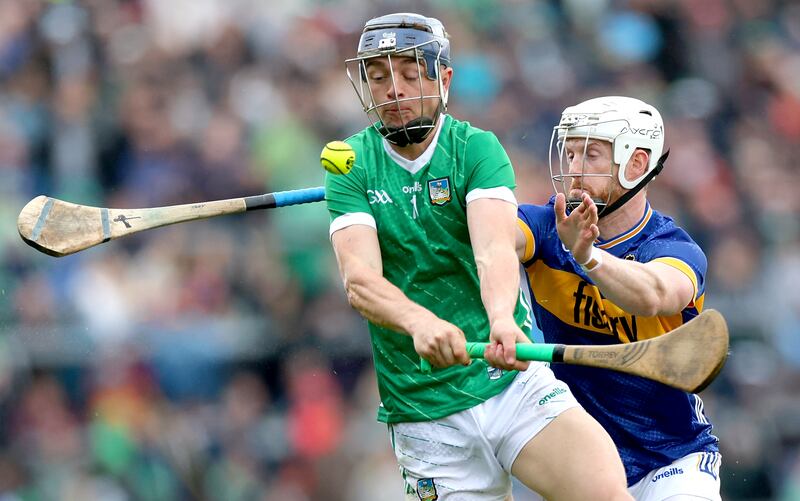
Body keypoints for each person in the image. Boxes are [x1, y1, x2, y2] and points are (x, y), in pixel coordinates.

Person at [326, 12, 631, 501]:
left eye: (409, 74)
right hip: (424, 412)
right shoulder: (351, 164)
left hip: (510, 381)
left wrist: (501, 320)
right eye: (379, 77)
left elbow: (493, 248)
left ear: (444, 79)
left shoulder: (476, 150)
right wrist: (420, 323)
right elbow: (359, 280)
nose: (393, 90)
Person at [516, 96, 722, 501]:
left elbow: (654, 294)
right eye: (570, 153)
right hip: (582, 466)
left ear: (636, 163)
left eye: (591, 154)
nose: (574, 169)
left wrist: (588, 258)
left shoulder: (672, 247)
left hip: (672, 458)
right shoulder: (543, 227)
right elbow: (490, 237)